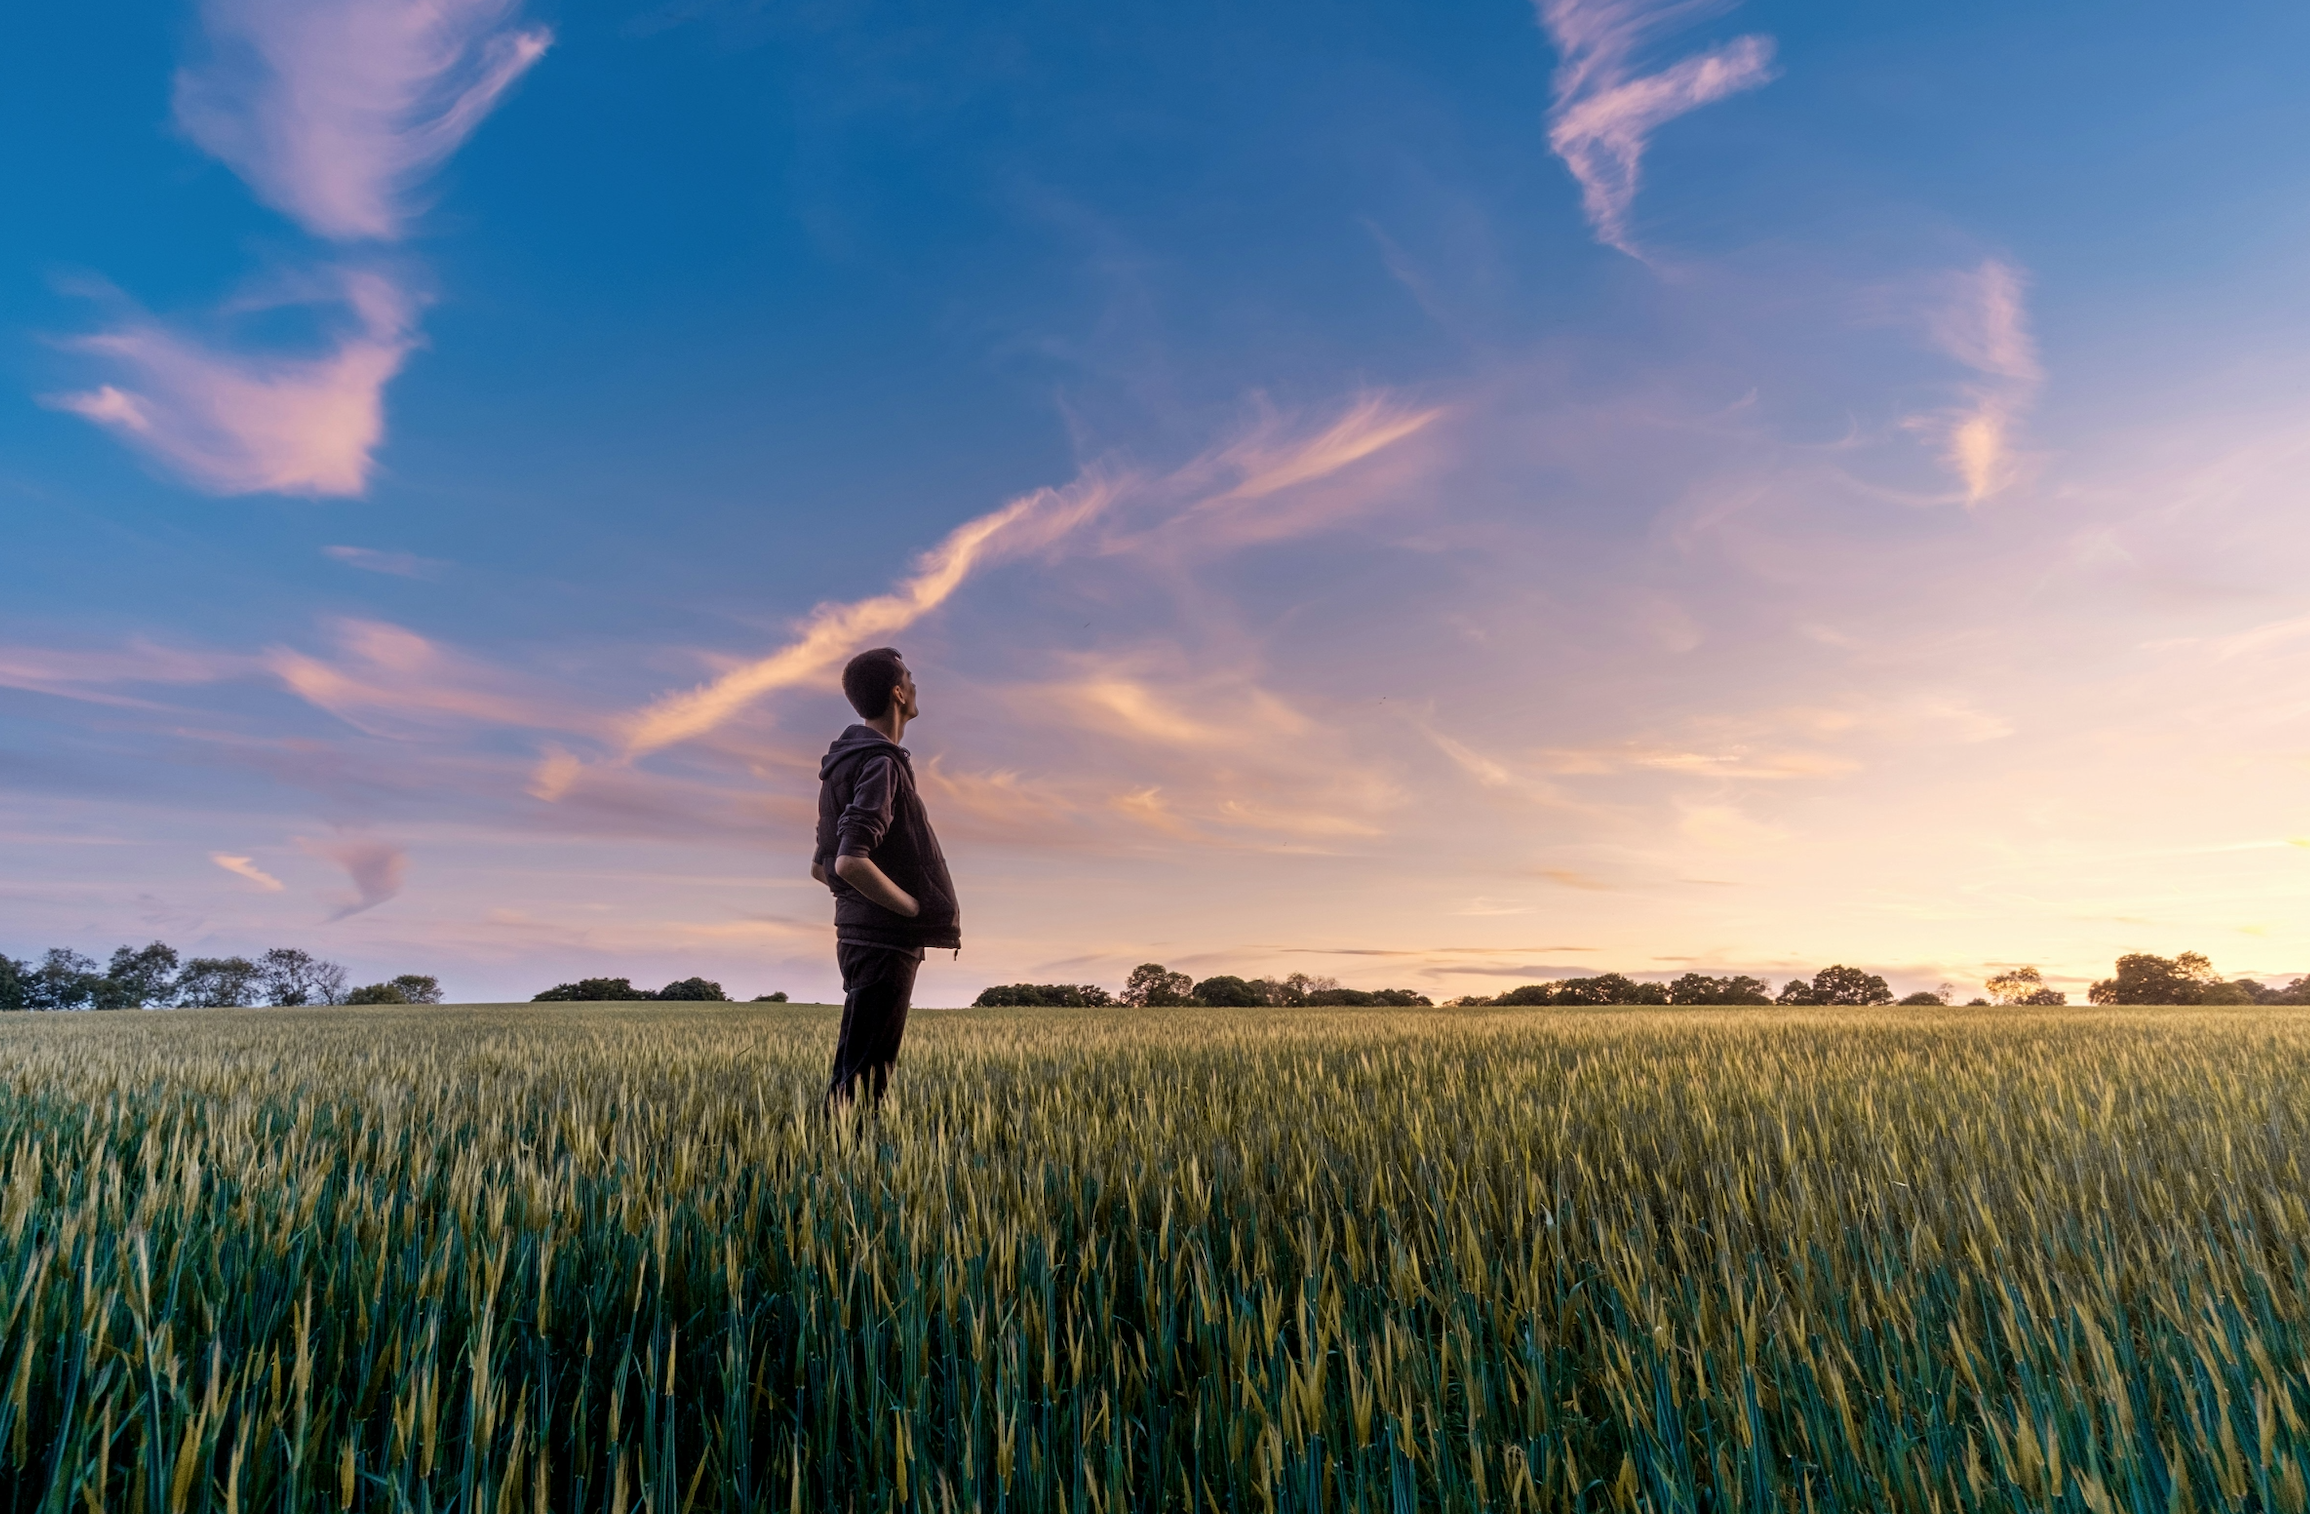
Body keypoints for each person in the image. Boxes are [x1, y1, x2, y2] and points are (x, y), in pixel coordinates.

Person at [811, 647, 961, 1109]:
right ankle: (843, 1171)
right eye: (910, 679)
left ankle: (833, 1160)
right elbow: (847, 862)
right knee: (867, 1079)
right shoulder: (881, 762)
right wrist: (912, 909)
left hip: (857, 935)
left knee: (855, 1069)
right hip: (884, 940)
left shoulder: (843, 763)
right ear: (898, 693)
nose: (916, 687)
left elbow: (821, 865)